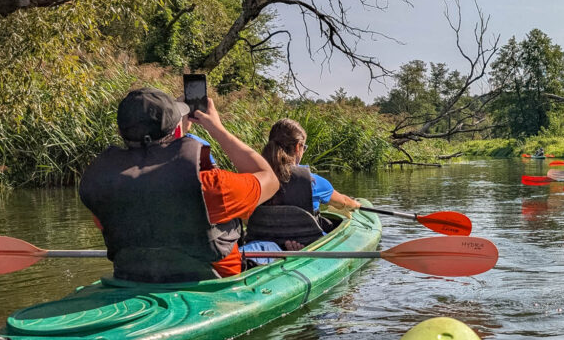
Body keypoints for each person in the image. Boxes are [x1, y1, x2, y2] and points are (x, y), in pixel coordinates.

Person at [79, 87, 279, 282]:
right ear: (176, 129)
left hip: (134, 279)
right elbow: (269, 178)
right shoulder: (209, 185)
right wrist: (217, 129)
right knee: (270, 247)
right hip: (214, 284)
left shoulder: (105, 187)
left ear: (120, 131)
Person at [243, 118, 361, 256]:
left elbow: (245, 218)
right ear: (298, 147)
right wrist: (357, 204)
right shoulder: (313, 182)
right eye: (303, 147)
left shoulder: (253, 179)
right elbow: (343, 203)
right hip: (307, 243)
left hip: (263, 244)